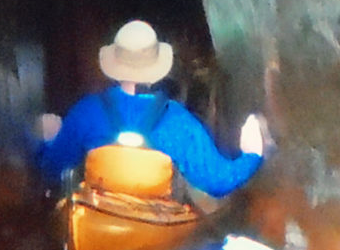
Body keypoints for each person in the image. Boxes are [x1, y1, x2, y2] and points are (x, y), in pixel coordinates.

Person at [34, 20, 270, 196]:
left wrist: (47, 140)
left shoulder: (87, 112)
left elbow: (51, 171)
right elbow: (219, 183)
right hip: (151, 218)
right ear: (157, 69)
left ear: (115, 65)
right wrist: (252, 154)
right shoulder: (178, 121)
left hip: (99, 214)